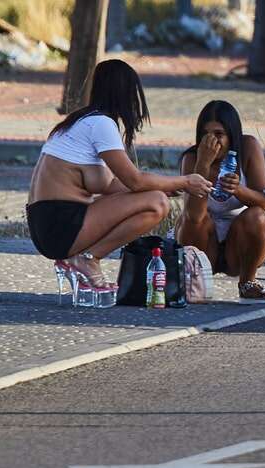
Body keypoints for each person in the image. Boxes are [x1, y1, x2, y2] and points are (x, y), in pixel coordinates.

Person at [27, 59, 213, 293]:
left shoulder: (80, 122)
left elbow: (109, 184)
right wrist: (185, 181)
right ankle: (88, 259)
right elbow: (134, 180)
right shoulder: (101, 124)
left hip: (46, 224)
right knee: (157, 204)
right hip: (61, 224)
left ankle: (84, 258)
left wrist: (164, 185)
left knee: (155, 195)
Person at [176, 100, 265, 302]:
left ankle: (248, 282)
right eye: (206, 134)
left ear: (232, 136)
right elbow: (194, 216)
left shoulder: (248, 147)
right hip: (203, 239)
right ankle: (194, 282)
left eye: (219, 134)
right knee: (196, 219)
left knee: (257, 216)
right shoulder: (192, 159)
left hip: (239, 239)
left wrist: (239, 190)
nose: (212, 141)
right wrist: (203, 166)